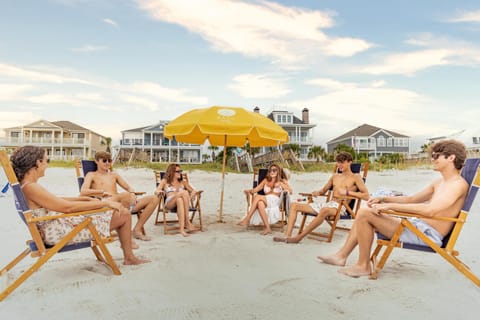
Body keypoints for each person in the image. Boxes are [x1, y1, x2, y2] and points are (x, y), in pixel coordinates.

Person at [318, 140, 468, 277]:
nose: (432, 159)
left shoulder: (457, 185)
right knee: (366, 210)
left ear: (451, 158)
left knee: (365, 213)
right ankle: (341, 256)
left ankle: (362, 266)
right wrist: (383, 199)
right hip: (416, 226)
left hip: (426, 235)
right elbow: (411, 199)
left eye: (436, 156)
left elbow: (431, 210)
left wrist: (389, 206)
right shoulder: (440, 182)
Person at [11, 146, 149, 265]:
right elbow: (67, 208)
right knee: (123, 214)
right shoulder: (31, 187)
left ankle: (128, 253)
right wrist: (104, 202)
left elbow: (56, 200)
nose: (47, 164)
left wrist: (86, 200)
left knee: (108, 210)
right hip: (58, 233)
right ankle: (129, 257)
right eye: (47, 160)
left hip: (53, 227)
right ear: (37, 162)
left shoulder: (26, 186)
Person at [273, 151, 369, 244]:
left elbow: (366, 196)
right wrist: (317, 192)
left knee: (324, 210)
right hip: (328, 205)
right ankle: (287, 235)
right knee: (294, 205)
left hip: (341, 207)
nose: (339, 165)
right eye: (338, 162)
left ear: (350, 162)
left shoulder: (356, 177)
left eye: (342, 162)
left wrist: (347, 192)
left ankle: (299, 238)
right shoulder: (335, 177)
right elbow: (323, 191)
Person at [80, 151, 159, 241]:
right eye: (104, 160)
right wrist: (101, 192)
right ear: (97, 161)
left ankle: (137, 229)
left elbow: (128, 187)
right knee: (124, 195)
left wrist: (132, 193)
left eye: (109, 161)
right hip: (107, 205)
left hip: (123, 204)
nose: (107, 163)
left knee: (154, 198)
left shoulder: (114, 175)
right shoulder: (91, 175)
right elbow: (83, 191)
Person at [237, 164, 292, 235]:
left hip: (275, 201)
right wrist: (248, 191)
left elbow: (290, 191)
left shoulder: (282, 181)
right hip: (266, 200)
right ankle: (268, 228)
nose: (272, 172)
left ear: (278, 171)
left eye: (274, 170)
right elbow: (255, 190)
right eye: (270, 170)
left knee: (258, 197)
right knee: (260, 203)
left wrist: (281, 185)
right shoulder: (265, 181)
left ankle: (247, 218)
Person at [155, 163, 199, 237]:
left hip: (181, 202)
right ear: (172, 172)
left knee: (180, 200)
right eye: (178, 171)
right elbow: (157, 190)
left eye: (181, 171)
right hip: (169, 203)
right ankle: (187, 222)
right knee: (183, 193)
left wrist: (192, 195)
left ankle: (181, 229)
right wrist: (160, 191)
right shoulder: (165, 181)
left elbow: (194, 191)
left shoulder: (183, 182)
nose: (180, 173)